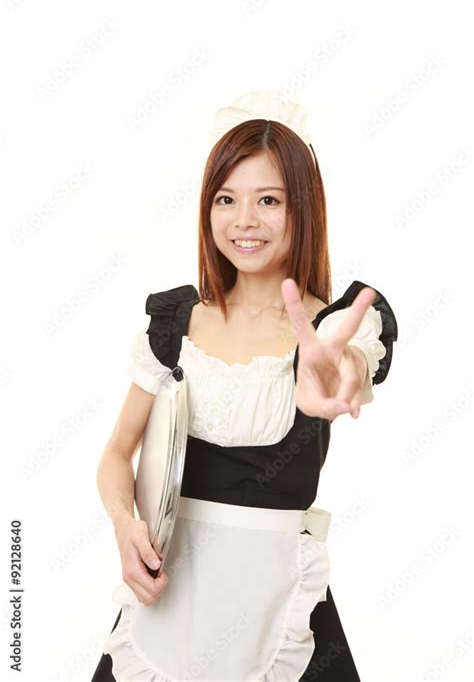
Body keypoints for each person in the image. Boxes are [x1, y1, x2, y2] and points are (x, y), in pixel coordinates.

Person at [91, 90, 398, 681]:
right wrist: (124, 524)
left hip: (278, 607)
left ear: (303, 209)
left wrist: (339, 375)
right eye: (226, 199)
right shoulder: (174, 327)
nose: (244, 221)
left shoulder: (331, 329)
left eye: (269, 200)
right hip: (168, 603)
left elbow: (345, 364)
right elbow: (116, 453)